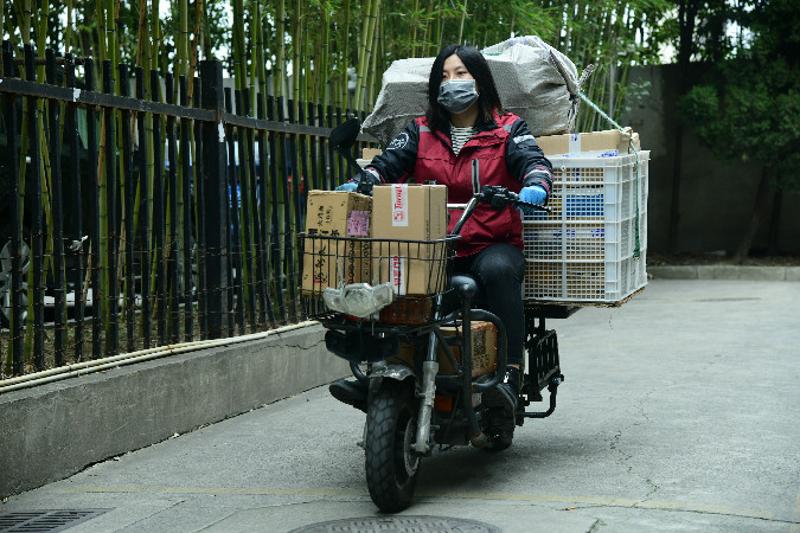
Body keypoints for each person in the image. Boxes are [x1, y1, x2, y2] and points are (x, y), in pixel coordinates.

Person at [331, 44, 553, 439]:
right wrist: (361, 183)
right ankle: (381, 369)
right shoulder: (419, 131)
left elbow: (534, 162)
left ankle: (508, 375)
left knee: (499, 271)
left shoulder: (508, 129)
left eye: (461, 74)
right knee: (394, 270)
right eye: (445, 76)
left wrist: (536, 185)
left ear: (480, 81)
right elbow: (386, 166)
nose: (453, 83)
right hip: (436, 245)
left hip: (490, 241)